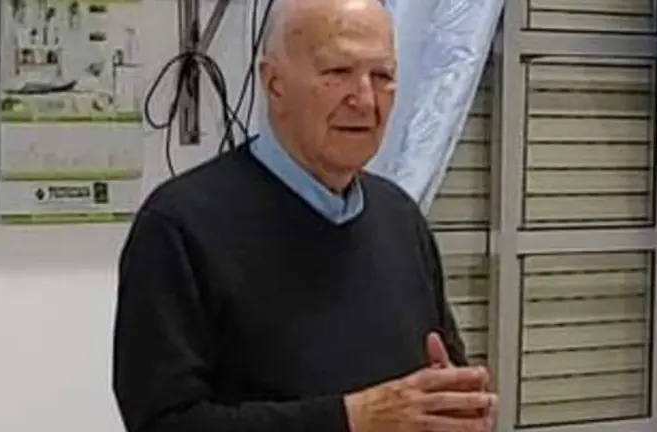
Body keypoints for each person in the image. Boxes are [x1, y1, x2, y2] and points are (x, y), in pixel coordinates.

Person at [111, 0, 497, 430]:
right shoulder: (180, 227)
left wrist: (458, 410)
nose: (365, 99)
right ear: (274, 84)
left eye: (382, 76)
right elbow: (164, 422)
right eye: (338, 72)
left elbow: (439, 384)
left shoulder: (400, 218)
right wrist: (349, 419)